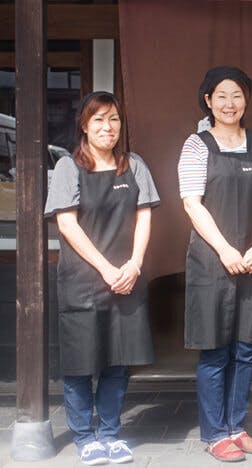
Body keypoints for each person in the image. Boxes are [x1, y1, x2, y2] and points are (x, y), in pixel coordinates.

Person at [44, 91, 160, 466]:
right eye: (98, 120)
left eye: (114, 119)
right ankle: (84, 437)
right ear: (84, 125)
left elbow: (144, 217)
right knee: (80, 364)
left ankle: (110, 433)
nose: (107, 127)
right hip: (82, 282)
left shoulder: (133, 165)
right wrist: (107, 269)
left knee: (117, 361)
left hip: (126, 280)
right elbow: (67, 224)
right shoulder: (69, 167)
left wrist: (135, 264)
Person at [178, 66, 252, 462]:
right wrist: (224, 249)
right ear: (208, 100)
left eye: (237, 95)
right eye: (221, 95)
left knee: (244, 348)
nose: (229, 103)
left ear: (246, 100)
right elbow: (192, 203)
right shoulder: (196, 145)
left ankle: (237, 427)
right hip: (212, 260)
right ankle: (214, 433)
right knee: (214, 351)